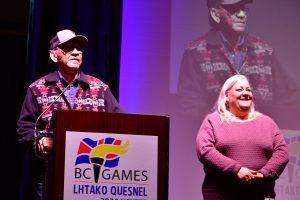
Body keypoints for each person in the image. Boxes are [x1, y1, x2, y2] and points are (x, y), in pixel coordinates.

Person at [16, 29, 124, 200]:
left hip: (92, 178)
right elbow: (25, 130)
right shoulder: (37, 88)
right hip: (50, 175)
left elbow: (122, 124)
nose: (75, 52)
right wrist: (40, 142)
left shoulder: (100, 88)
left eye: (78, 49)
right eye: (68, 48)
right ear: (54, 56)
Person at [177, 0, 300, 125]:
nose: (242, 14)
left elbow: (290, 96)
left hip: (259, 136)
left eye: (243, 8)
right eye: (234, 8)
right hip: (215, 137)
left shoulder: (264, 51)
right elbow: (190, 104)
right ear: (215, 14)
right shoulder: (196, 52)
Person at [196, 74, 289, 200]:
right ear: (227, 96)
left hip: (260, 194)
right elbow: (204, 150)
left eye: (248, 90)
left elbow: (282, 153)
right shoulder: (213, 121)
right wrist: (236, 170)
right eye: (239, 89)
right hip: (221, 195)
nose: (245, 93)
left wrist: (263, 174)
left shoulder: (267, 123)